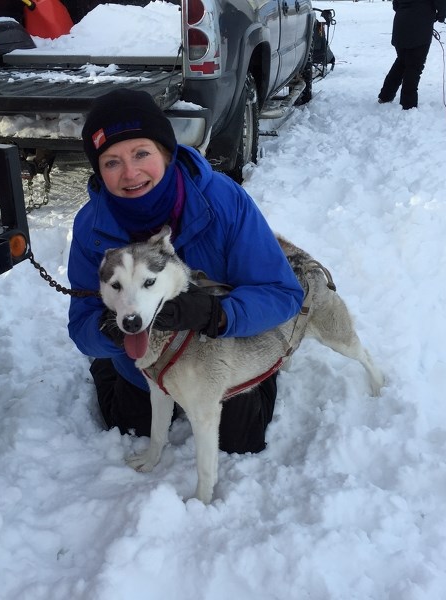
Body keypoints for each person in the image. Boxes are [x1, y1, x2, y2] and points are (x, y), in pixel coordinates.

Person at [67, 88, 304, 454]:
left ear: (166, 152)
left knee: (239, 441)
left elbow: (283, 293)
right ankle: (110, 371)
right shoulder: (91, 228)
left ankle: (264, 376)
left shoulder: (222, 201)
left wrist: (216, 313)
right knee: (133, 428)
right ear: (99, 170)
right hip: (141, 361)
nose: (130, 173)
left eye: (141, 153)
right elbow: (81, 323)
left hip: (219, 351)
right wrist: (111, 333)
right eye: (111, 161)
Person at [378, 0, 446, 110]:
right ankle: (408, 104)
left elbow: (395, 5)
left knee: (401, 62)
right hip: (420, 25)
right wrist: (440, 16)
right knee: (414, 66)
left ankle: (386, 96)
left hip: (401, 22)